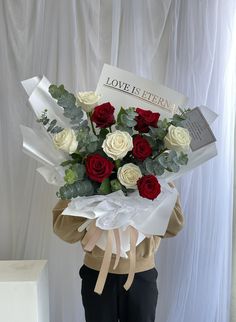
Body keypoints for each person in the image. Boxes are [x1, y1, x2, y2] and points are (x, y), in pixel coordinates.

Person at [52, 189, 184, 322]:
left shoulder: (159, 178)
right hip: (97, 274)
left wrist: (154, 192)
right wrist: (88, 198)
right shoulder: (81, 175)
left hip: (141, 276)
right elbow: (63, 230)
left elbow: (174, 226)